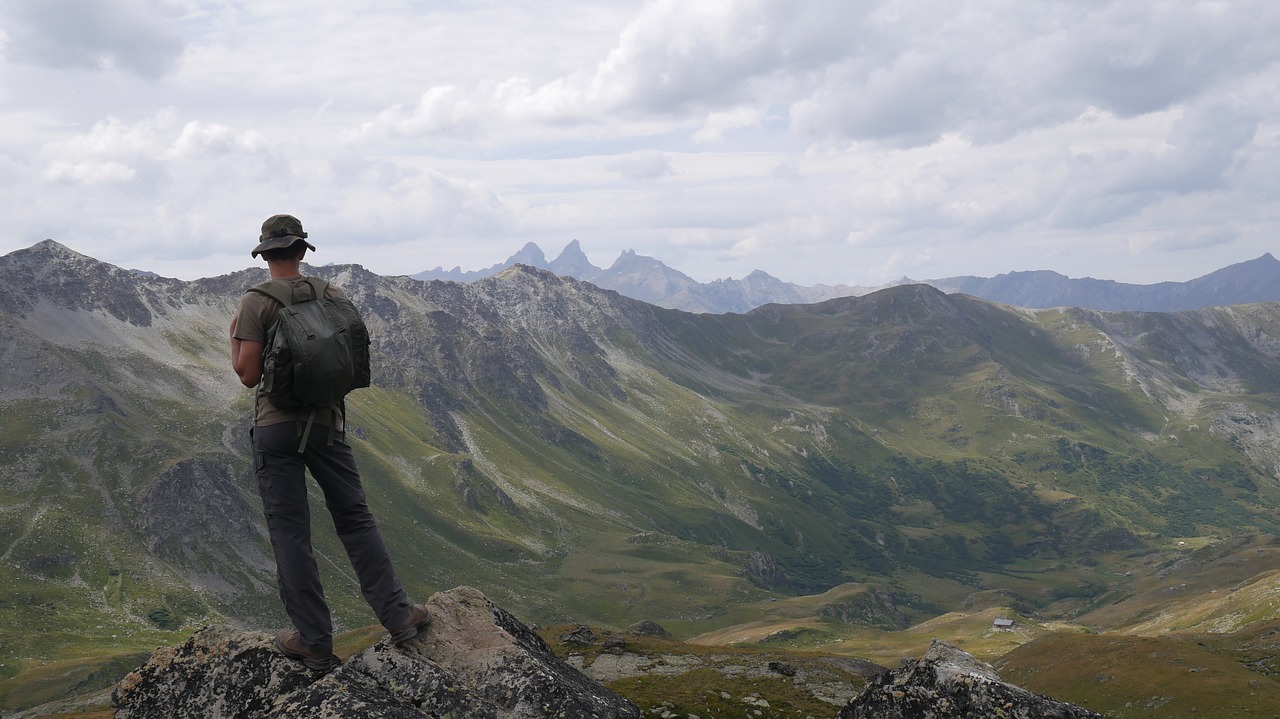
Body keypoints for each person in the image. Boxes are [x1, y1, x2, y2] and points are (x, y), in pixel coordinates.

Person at [230, 214, 429, 671]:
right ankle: (399, 616)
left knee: (291, 533)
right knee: (355, 519)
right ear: (302, 251)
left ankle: (315, 641)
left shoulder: (255, 303)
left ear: (266, 255)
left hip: (276, 428)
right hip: (327, 425)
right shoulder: (333, 295)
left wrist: (232, 339)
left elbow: (247, 375)